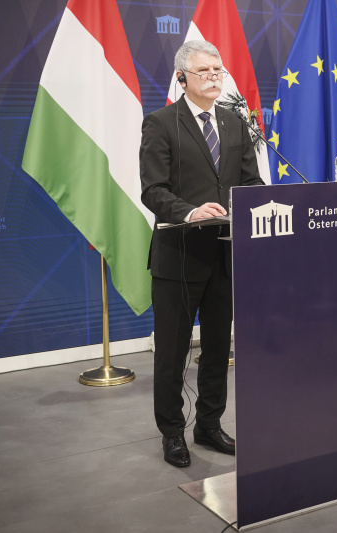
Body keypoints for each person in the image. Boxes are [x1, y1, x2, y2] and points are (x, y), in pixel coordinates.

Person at [140, 41, 264, 467]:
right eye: (205, 71)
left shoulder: (235, 122)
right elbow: (153, 190)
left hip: (227, 255)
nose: (215, 76)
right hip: (179, 256)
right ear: (182, 78)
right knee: (173, 352)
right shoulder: (160, 123)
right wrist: (190, 211)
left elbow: (251, 182)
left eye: (218, 69)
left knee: (217, 348)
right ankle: (172, 432)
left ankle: (208, 424)